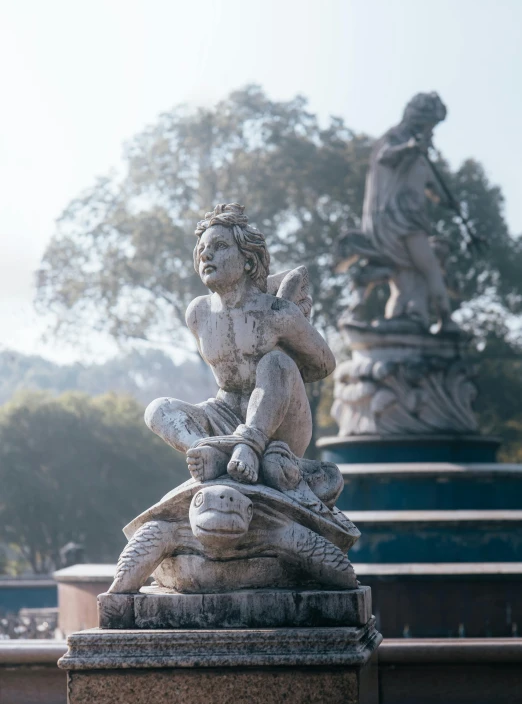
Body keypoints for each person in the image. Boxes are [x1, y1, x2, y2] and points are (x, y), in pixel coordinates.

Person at [144, 203, 337, 496]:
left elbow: (324, 364)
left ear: (248, 261)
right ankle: (206, 451)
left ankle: (250, 446)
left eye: (220, 247)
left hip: (280, 424)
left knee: (275, 363)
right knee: (158, 409)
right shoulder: (198, 313)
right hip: (225, 415)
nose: (206, 255)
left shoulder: (276, 313)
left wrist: (290, 352)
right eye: (201, 250)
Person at [362, 92, 459, 332]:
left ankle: (407, 316)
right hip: (400, 218)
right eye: (430, 124)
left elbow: (435, 190)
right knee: (430, 268)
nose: (431, 130)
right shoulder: (397, 139)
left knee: (408, 275)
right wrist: (410, 147)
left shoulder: (420, 155)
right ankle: (446, 320)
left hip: (410, 216)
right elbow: (386, 156)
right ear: (420, 120)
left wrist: (449, 201)